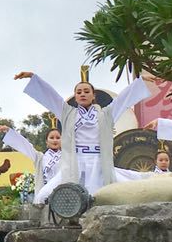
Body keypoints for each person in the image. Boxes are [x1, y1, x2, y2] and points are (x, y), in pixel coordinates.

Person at [13, 71, 151, 199]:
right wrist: (33, 77)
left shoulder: (106, 114)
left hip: (99, 162)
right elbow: (52, 97)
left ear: (93, 95)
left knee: (100, 196)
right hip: (75, 163)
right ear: (75, 96)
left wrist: (140, 82)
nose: (82, 94)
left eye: (86, 91)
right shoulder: (68, 113)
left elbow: (122, 99)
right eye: (79, 92)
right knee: (43, 196)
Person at [0, 126, 62, 204]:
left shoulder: (68, 158)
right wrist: (9, 132)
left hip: (63, 195)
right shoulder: (39, 157)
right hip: (44, 197)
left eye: (58, 137)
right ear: (46, 141)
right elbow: (26, 146)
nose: (55, 140)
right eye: (51, 138)